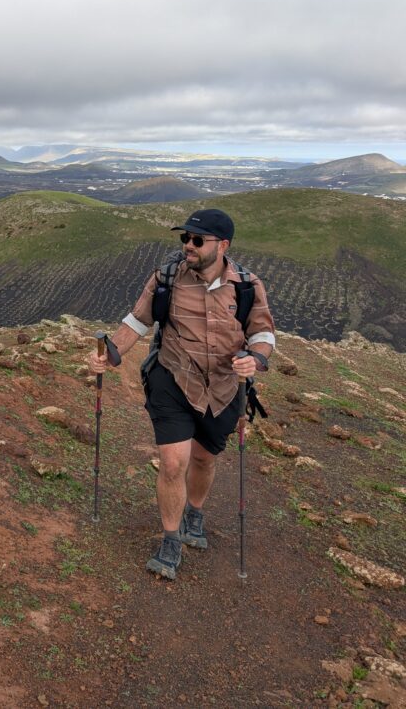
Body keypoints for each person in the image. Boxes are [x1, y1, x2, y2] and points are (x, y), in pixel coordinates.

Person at [88, 208, 275, 580]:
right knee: (173, 463)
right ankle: (170, 539)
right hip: (173, 379)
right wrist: (110, 354)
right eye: (185, 238)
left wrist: (255, 358)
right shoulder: (167, 277)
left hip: (223, 388)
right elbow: (138, 320)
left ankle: (195, 512)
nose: (188, 245)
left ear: (222, 245)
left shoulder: (247, 286)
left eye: (197, 240)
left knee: (203, 459)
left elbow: (262, 332)